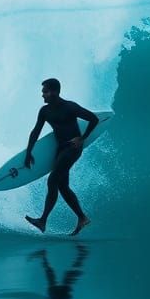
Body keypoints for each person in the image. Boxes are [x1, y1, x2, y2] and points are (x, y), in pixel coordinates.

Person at [24, 78, 98, 235]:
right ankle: (82, 218)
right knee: (62, 186)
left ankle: (43, 220)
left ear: (55, 92)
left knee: (52, 180)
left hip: (72, 148)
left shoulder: (70, 107)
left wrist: (82, 138)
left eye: (45, 91)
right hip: (60, 149)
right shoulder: (45, 111)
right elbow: (35, 131)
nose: (42, 95)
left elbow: (93, 119)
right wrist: (28, 152)